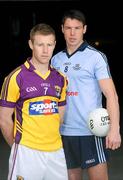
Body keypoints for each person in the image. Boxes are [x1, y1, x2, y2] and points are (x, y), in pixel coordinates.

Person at [51, 9, 121, 180]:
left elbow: (111, 95)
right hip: (64, 133)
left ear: (84, 29)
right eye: (68, 28)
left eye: (77, 28)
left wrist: (115, 129)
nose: (72, 33)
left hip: (90, 132)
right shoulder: (55, 59)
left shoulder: (95, 57)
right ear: (62, 29)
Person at [0, 23, 68, 180]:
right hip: (27, 152)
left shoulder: (61, 79)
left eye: (49, 45)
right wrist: (19, 146)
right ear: (31, 44)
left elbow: (60, 118)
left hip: (56, 152)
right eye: (40, 44)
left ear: (55, 45)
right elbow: (4, 120)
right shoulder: (16, 77)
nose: (45, 50)